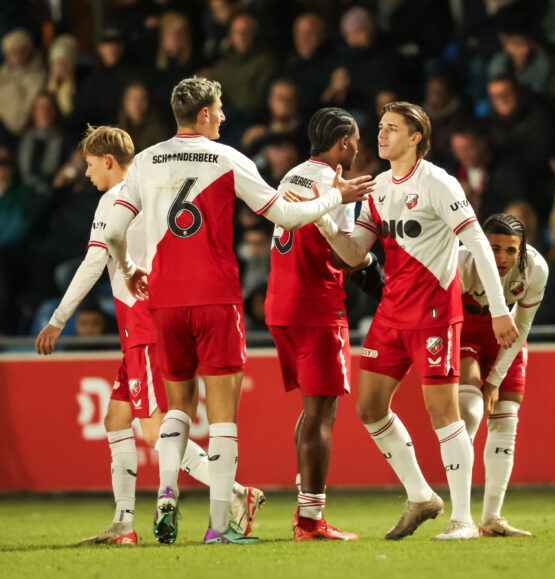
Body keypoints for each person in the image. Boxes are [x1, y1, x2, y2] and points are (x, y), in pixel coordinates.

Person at [102, 77, 373, 545]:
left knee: (178, 409)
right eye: (221, 109)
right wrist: (337, 198)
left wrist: (129, 268)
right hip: (216, 298)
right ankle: (218, 526)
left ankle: (166, 496)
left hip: (163, 301)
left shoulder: (145, 160)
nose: (225, 117)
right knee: (222, 416)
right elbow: (286, 216)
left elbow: (112, 230)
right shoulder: (227, 159)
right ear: (204, 113)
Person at [34, 125, 264, 545]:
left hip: (144, 324)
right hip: (145, 321)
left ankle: (235, 493)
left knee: (156, 432)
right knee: (116, 419)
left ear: (108, 161)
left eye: (89, 165)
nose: (86, 174)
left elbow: (92, 263)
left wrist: (58, 318)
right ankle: (123, 523)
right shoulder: (154, 189)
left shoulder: (114, 199)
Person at [313, 101, 519, 540]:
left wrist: (499, 308)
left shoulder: (439, 183)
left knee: (443, 414)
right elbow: (354, 254)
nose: (381, 135)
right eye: (381, 128)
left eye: (391, 129)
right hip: (390, 313)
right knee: (369, 407)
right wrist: (326, 221)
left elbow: (479, 244)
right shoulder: (378, 186)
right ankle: (421, 495)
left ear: (416, 138)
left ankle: (463, 520)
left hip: (433, 316)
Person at [265, 107, 370, 541]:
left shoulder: (292, 175)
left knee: (312, 410)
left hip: (281, 304)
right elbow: (347, 254)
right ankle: (310, 521)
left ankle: (305, 511)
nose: (361, 145)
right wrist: (369, 242)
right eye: (357, 138)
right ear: (343, 142)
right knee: (323, 412)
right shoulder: (335, 185)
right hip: (316, 306)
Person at [456, 213, 548, 538]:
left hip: (506, 340)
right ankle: (460, 516)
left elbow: (521, 326)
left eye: (511, 250)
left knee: (506, 421)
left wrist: (494, 378)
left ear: (521, 250)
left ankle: (492, 519)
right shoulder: (461, 262)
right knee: (468, 411)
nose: (502, 258)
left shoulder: (535, 269)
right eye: (494, 248)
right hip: (464, 335)